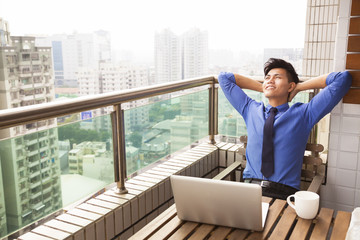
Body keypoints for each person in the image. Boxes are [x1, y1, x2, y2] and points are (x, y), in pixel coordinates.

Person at [218, 58, 352, 199]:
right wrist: (263, 87)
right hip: (249, 189)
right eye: (267, 78)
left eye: (277, 77)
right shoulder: (250, 109)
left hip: (284, 194)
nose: (270, 80)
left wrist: (300, 87)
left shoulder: (305, 114)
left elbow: (343, 79)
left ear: (290, 86)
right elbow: (224, 78)